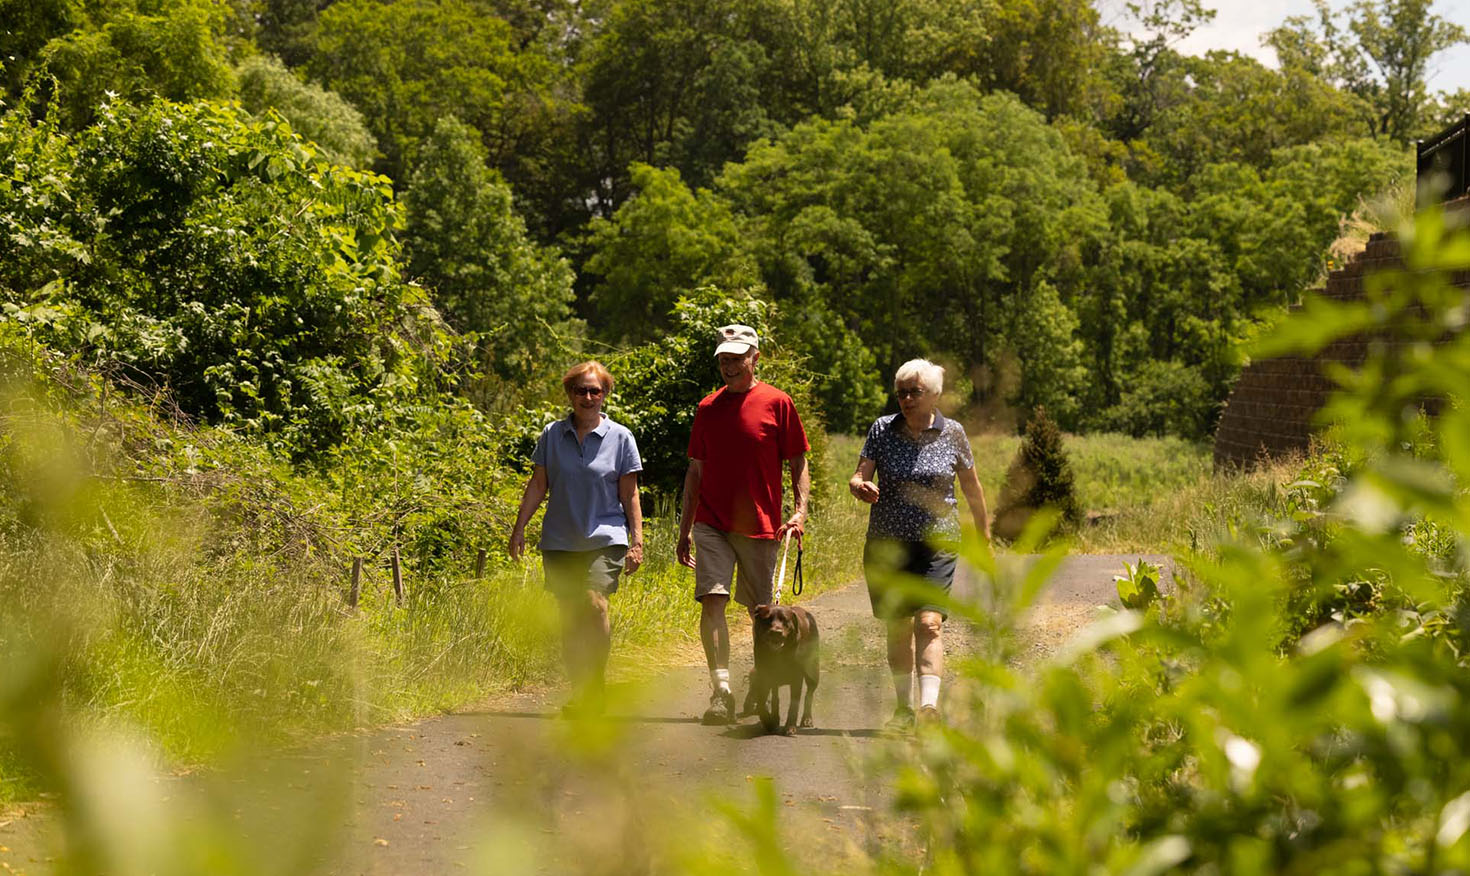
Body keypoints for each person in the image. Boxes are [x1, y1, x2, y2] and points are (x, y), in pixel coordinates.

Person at [677, 324, 810, 725]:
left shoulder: (778, 403)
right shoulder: (707, 409)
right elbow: (695, 472)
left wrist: (799, 511)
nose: (729, 365)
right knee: (712, 599)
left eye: (737, 357)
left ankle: (760, 679)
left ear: (755, 358)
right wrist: (684, 529)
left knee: (762, 613)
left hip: (761, 524)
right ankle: (721, 691)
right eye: (723, 358)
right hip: (712, 522)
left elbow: (798, 461)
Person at [849, 358, 988, 731]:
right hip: (887, 545)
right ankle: (902, 710)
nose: (907, 399)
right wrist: (860, 485)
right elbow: (860, 474)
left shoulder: (953, 433)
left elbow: (972, 487)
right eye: (902, 392)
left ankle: (929, 709)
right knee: (898, 626)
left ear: (935, 395)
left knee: (929, 623)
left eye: (915, 392)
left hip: (936, 544)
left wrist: (984, 536)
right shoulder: (881, 429)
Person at [510, 361, 644, 716]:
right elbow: (539, 484)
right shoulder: (552, 435)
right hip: (560, 540)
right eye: (581, 390)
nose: (588, 397)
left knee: (594, 602)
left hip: (605, 535)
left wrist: (637, 541)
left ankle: (596, 685)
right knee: (569, 616)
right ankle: (580, 691)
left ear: (605, 394)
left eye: (595, 390)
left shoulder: (621, 437)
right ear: (570, 394)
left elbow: (630, 494)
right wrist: (519, 527)